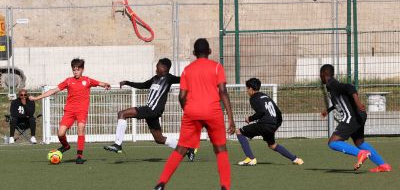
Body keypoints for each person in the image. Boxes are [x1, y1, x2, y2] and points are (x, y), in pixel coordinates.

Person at [153, 38, 235, 190]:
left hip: (192, 111)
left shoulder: (187, 70)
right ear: (209, 52)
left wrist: (188, 111)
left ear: (193, 53)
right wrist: (230, 118)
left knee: (181, 149)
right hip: (213, 112)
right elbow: (223, 91)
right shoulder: (217, 67)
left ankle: (161, 183)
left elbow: (182, 96)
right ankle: (225, 187)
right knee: (220, 149)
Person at [103, 58, 197, 161]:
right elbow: (142, 85)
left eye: (158, 65)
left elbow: (184, 78)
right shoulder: (154, 79)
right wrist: (127, 82)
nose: (156, 67)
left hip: (151, 110)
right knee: (159, 139)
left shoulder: (169, 78)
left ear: (164, 68)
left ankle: (117, 144)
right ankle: (187, 149)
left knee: (122, 114)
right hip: (152, 112)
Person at [29, 58, 111, 164]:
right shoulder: (69, 81)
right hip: (69, 111)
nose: (76, 72)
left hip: (82, 111)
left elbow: (100, 83)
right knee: (60, 133)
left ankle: (79, 156)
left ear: (82, 69)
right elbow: (53, 90)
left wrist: (106, 84)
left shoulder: (88, 80)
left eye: (78, 70)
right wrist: (36, 98)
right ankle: (66, 146)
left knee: (81, 129)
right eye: (74, 70)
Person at [320, 64, 391, 172]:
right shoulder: (333, 86)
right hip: (359, 116)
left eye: (320, 75)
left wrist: (358, 103)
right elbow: (341, 101)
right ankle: (383, 165)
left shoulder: (331, 84)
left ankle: (360, 154)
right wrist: (328, 110)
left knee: (333, 142)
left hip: (351, 117)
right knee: (360, 143)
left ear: (323, 74)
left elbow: (350, 87)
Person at [236, 78, 304, 166]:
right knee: (272, 145)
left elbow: (261, 112)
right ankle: (296, 159)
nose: (246, 91)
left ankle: (250, 158)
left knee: (239, 132)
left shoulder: (253, 98)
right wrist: (276, 126)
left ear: (251, 88)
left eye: (247, 88)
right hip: (271, 125)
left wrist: (250, 118)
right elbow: (278, 113)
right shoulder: (266, 97)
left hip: (264, 125)